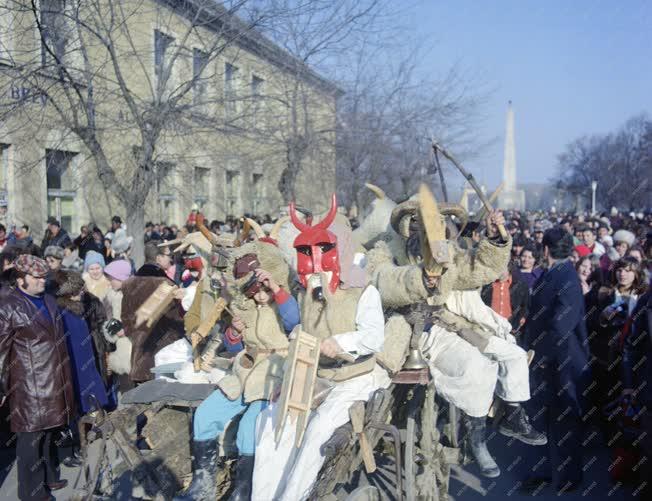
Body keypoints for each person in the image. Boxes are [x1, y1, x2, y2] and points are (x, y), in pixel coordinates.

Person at [252, 196, 390, 500]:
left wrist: (341, 342)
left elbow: (373, 337)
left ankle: (295, 497)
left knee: (318, 430)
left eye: (322, 251)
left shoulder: (363, 291)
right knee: (273, 422)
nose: (314, 261)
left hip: (354, 379)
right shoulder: (306, 293)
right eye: (306, 253)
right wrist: (288, 379)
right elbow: (302, 333)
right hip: (315, 375)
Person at [175, 250, 299, 501]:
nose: (261, 295)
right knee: (205, 415)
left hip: (273, 376)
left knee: (249, 428)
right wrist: (233, 333)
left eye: (265, 289)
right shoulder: (247, 307)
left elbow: (294, 320)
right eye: (256, 290)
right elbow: (234, 348)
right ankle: (204, 485)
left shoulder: (285, 302)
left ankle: (243, 491)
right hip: (243, 372)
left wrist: (275, 287)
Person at [521, 227, 592, 494]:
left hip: (565, 362)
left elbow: (561, 327)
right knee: (543, 417)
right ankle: (544, 471)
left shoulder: (568, 278)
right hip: (547, 360)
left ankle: (572, 476)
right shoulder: (552, 274)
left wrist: (536, 354)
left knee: (567, 419)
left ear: (546, 250)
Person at [0, 255, 75, 500]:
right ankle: (31, 493)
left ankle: (49, 477)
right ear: (20, 279)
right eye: (36, 278)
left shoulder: (49, 300)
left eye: (44, 277)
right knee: (31, 440)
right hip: (27, 386)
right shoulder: (8, 305)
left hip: (54, 379)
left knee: (48, 432)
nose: (42, 281)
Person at [586, 257, 648, 433]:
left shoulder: (643, 296)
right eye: (620, 270)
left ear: (636, 273)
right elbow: (587, 320)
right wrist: (602, 318)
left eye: (628, 270)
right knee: (606, 398)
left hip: (634, 358)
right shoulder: (603, 292)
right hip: (607, 357)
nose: (623, 274)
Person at [481, 265, 529, 334]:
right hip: (489, 326)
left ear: (509, 269)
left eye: (501, 268)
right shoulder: (487, 284)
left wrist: (520, 320)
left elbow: (525, 306)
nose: (497, 271)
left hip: (509, 329)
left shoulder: (520, 286)